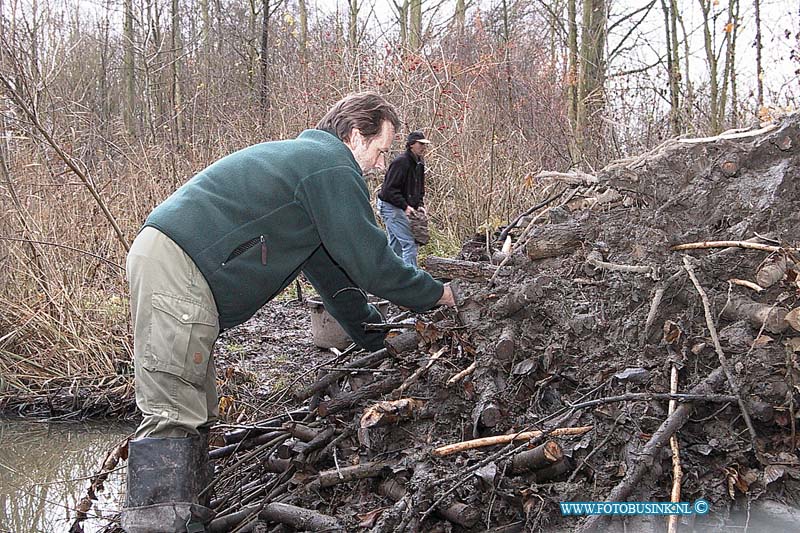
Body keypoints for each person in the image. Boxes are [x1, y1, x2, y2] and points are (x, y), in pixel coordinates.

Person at [121, 92, 455, 533]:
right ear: (355, 136)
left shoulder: (312, 174)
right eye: (379, 150)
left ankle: (188, 520)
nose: (379, 164)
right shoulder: (329, 165)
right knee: (173, 413)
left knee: (196, 410)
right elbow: (373, 263)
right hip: (177, 264)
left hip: (174, 264)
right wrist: (440, 297)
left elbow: (339, 284)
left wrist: (385, 343)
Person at [377, 130, 431, 267]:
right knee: (409, 244)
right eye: (420, 144)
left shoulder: (419, 163)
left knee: (395, 245)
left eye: (424, 144)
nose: (423, 147)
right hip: (390, 206)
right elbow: (389, 190)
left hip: (398, 206)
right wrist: (405, 206)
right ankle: (412, 280)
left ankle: (388, 274)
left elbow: (419, 187)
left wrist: (419, 204)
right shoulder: (401, 162)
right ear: (411, 144)